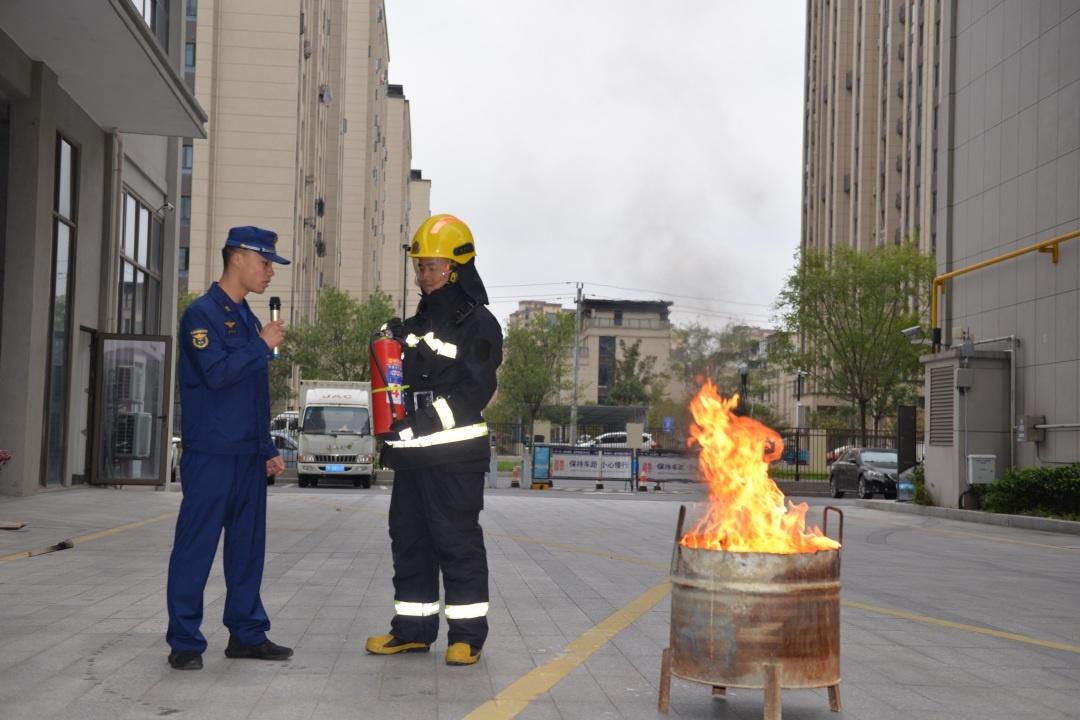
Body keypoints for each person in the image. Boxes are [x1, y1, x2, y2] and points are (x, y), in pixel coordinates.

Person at [366, 214, 503, 666]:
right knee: (409, 542)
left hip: (455, 457)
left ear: (458, 268)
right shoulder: (414, 323)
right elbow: (396, 384)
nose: (425, 275)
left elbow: (473, 393)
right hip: (414, 459)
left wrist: (420, 424)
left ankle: (466, 637)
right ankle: (412, 630)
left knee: (457, 543)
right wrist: (387, 343)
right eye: (421, 266)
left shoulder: (479, 324)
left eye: (434, 266)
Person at [166, 226, 293, 671]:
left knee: (247, 548)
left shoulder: (247, 319)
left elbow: (255, 395)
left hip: (246, 455)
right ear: (238, 258)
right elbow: (217, 374)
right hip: (212, 454)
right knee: (196, 547)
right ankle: (184, 640)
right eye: (265, 263)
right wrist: (260, 346)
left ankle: (247, 633)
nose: (269, 274)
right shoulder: (200, 315)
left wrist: (267, 446)